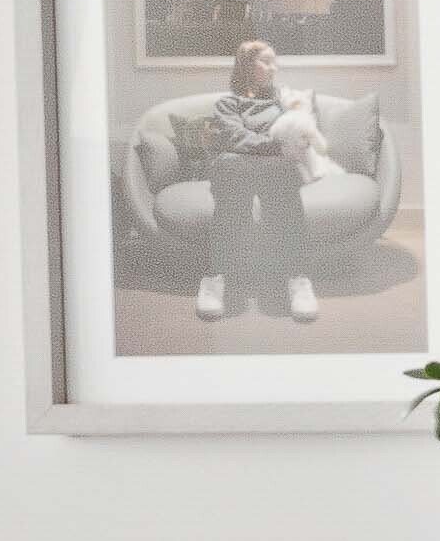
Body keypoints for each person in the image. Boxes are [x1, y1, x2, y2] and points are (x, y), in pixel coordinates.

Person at [122, 39, 394, 326]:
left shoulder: (282, 102)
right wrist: (274, 146)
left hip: (270, 169)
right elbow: (235, 137)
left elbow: (293, 132)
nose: (273, 68)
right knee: (232, 190)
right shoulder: (228, 104)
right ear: (247, 65)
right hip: (236, 168)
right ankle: (216, 278)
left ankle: (296, 279)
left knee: (282, 190)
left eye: (275, 62)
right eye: (266, 61)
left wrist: (272, 147)